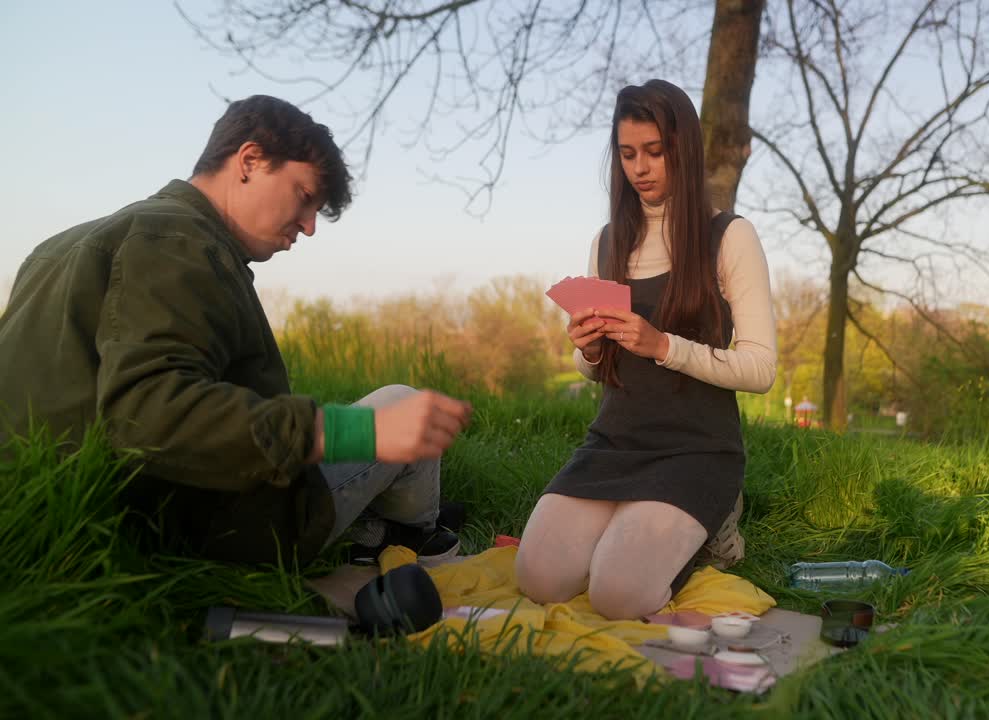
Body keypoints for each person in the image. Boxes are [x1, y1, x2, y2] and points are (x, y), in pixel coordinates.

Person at [0, 95, 470, 566]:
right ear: (249, 161)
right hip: (186, 528)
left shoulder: (59, 246)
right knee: (402, 404)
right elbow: (144, 412)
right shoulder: (185, 243)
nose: (308, 228)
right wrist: (346, 431)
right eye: (304, 197)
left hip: (50, 519)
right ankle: (408, 539)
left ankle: (376, 523)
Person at [514, 80, 777, 620]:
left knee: (619, 595)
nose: (641, 167)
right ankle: (634, 527)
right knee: (538, 578)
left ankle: (715, 524)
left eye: (656, 152)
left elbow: (761, 368)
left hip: (694, 448)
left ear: (685, 149)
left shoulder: (728, 236)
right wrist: (586, 351)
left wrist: (664, 346)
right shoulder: (608, 241)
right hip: (615, 442)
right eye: (629, 154)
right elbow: (594, 370)